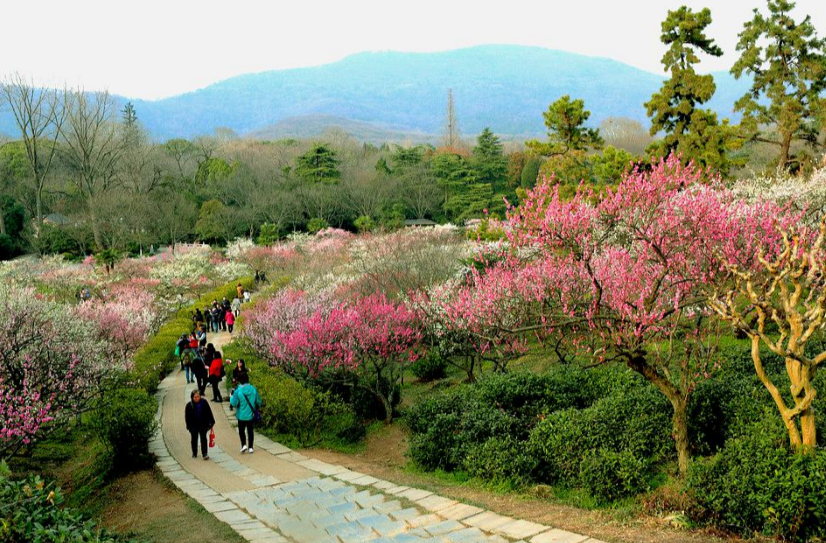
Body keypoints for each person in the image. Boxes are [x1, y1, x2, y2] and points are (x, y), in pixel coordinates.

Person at [230, 372, 261, 454]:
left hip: (241, 415)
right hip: (251, 415)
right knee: (250, 431)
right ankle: (251, 447)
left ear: (240, 380)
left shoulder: (238, 391)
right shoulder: (253, 389)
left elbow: (233, 403)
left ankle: (244, 445)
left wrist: (231, 397)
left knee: (241, 431)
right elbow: (258, 401)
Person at [184, 389, 215, 460]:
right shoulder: (189, 405)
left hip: (203, 424)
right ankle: (194, 452)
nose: (197, 398)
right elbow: (187, 417)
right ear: (192, 397)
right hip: (193, 426)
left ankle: (204, 453)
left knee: (203, 438)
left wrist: (211, 422)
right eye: (195, 397)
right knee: (194, 439)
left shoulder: (204, 402)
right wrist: (188, 426)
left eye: (198, 396)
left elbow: (209, 412)